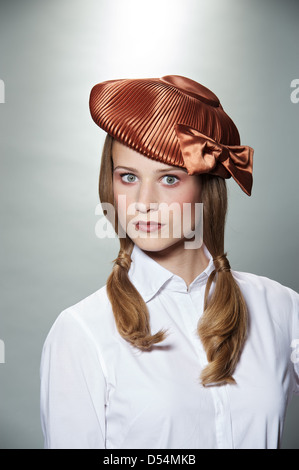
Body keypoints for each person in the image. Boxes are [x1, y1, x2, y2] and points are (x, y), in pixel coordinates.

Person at [40, 75, 299, 449]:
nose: (144, 200)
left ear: (205, 185)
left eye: (170, 179)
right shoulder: (81, 332)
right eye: (128, 176)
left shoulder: (280, 307)